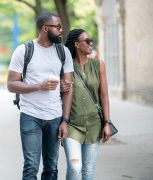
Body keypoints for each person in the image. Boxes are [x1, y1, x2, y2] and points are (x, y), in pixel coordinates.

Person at [7, 12, 74, 180]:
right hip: (30, 116)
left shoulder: (63, 52)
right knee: (31, 166)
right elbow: (11, 84)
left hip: (55, 116)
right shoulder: (24, 50)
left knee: (51, 167)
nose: (61, 30)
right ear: (45, 28)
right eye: (58, 26)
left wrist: (65, 121)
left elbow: (68, 88)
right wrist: (39, 86)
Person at [62, 29, 112, 179]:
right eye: (87, 41)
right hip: (72, 126)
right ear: (77, 44)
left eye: (91, 41)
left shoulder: (99, 65)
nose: (91, 44)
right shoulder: (66, 66)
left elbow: (104, 95)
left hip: (94, 125)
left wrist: (107, 122)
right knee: (75, 168)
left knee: (88, 171)